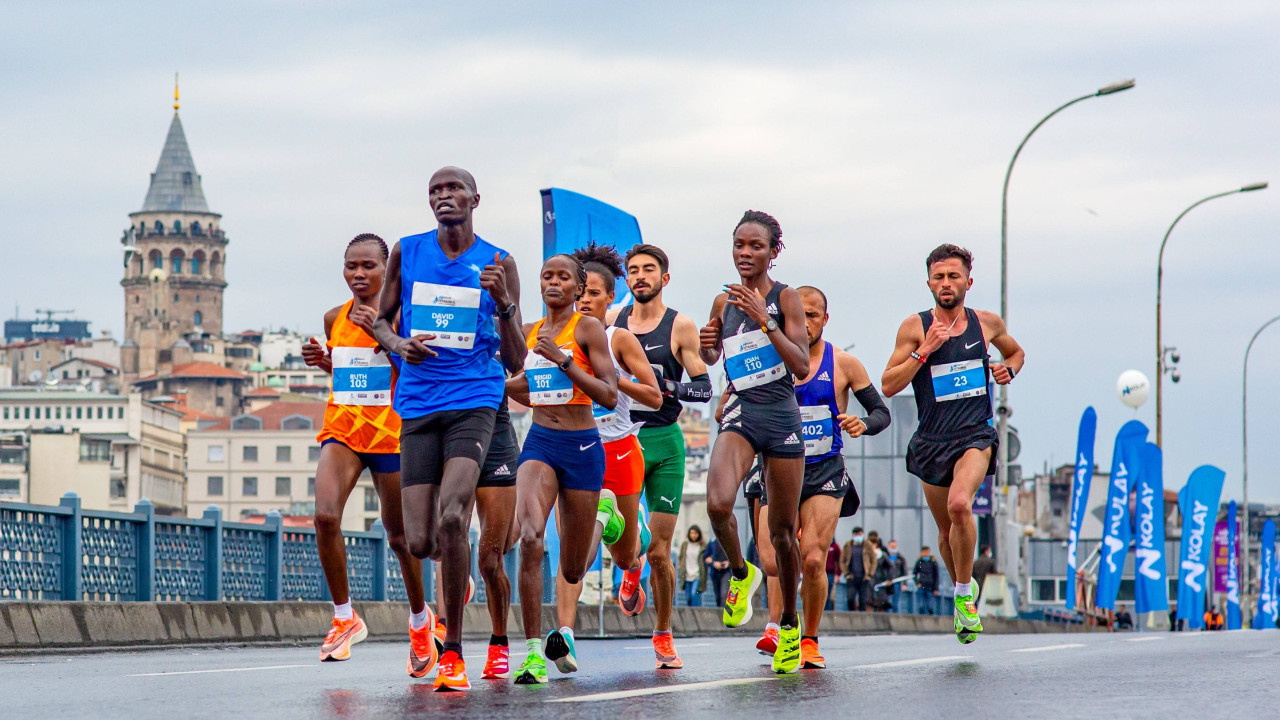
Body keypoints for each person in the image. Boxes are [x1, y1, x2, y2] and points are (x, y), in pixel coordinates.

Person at [372, 167, 525, 690]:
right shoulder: (407, 252)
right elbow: (378, 318)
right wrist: (397, 345)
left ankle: (454, 652)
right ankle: (454, 566)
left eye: (452, 189)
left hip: (474, 400)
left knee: (456, 516)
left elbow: (515, 358)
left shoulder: (499, 261)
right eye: (434, 190)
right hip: (417, 404)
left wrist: (504, 303)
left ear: (475, 198)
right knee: (421, 541)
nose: (443, 196)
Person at [736, 285, 892, 666]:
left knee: (812, 559)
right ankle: (780, 624)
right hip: (776, 468)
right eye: (799, 315)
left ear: (825, 319)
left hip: (824, 471)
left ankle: (808, 639)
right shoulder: (769, 357)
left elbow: (881, 413)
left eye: (813, 315)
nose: (805, 324)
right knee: (773, 560)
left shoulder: (843, 363)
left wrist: (862, 423)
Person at [882, 243, 1025, 644]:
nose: (946, 283)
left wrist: (1006, 370)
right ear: (929, 281)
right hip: (932, 440)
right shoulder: (914, 326)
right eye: (939, 277)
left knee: (961, 504)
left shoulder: (987, 323)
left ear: (968, 282)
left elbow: (1016, 353)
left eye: (954, 276)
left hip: (975, 435)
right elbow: (888, 385)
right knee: (946, 534)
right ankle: (963, 588)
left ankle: (964, 596)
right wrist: (924, 350)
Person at [300, 234, 427, 665]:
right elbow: (352, 366)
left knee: (399, 537)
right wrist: (324, 361)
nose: (358, 274)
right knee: (324, 516)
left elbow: (416, 366)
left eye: (368, 266)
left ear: (387, 270)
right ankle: (343, 616)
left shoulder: (402, 315)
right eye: (351, 265)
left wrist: (383, 333)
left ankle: (419, 621)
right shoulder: (334, 316)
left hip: (390, 434)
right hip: (344, 428)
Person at [700, 210, 811, 674]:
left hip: (780, 412)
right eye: (738, 245)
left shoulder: (787, 298)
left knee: (783, 534)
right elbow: (711, 355)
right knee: (718, 504)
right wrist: (708, 345)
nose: (745, 254)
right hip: (742, 411)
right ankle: (741, 575)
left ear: (773, 252)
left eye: (756, 246)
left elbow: (802, 364)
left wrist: (764, 322)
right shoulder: (723, 302)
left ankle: (788, 625)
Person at [505, 254, 618, 685]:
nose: (553, 282)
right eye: (546, 276)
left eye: (563, 277)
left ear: (577, 287)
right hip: (540, 443)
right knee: (531, 536)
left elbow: (608, 394)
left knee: (572, 569)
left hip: (583, 445)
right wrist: (487, 384)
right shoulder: (530, 332)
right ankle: (534, 652)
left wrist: (564, 361)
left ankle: (603, 515)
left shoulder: (588, 329)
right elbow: (524, 386)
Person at [550, 244, 664, 654]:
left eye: (593, 294)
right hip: (575, 448)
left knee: (625, 555)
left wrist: (611, 380)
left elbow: (655, 397)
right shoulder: (557, 339)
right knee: (571, 550)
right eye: (580, 293)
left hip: (618, 450)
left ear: (610, 297)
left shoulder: (620, 339)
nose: (583, 301)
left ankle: (634, 553)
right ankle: (564, 634)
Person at [612, 243, 713, 669]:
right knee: (628, 541)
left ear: (664, 278)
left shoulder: (680, 326)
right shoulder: (612, 322)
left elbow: (704, 389)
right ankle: (629, 567)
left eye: (648, 270)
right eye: (633, 270)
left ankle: (664, 632)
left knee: (660, 551)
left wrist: (665, 389)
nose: (639, 276)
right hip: (622, 439)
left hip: (667, 441)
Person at [841, 527, 869, 612]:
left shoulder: (867, 545)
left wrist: (869, 574)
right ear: (853, 535)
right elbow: (842, 561)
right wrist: (846, 573)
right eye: (856, 535)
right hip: (852, 577)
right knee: (850, 598)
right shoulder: (848, 546)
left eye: (860, 534)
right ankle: (852, 615)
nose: (858, 536)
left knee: (863, 600)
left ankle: (862, 617)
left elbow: (873, 560)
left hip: (863, 577)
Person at [679, 525, 708, 607]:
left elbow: (706, 558)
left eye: (695, 533)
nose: (693, 535)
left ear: (699, 534)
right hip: (687, 575)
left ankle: (696, 613)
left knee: (694, 594)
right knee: (688, 598)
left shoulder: (702, 546)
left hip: (697, 575)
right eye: (691, 533)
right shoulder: (685, 545)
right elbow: (681, 557)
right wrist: (680, 566)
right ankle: (691, 613)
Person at [913, 546, 941, 615]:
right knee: (921, 605)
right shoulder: (919, 562)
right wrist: (917, 583)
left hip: (930, 586)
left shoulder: (933, 562)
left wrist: (936, 588)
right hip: (921, 585)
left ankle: (930, 619)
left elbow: (936, 576)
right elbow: (914, 574)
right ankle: (921, 620)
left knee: (930, 606)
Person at [704, 537, 731, 607]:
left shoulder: (730, 540)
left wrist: (728, 563)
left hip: (726, 571)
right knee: (718, 596)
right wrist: (713, 563)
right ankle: (720, 612)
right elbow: (706, 557)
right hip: (715, 572)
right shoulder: (712, 542)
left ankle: (723, 613)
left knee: (724, 594)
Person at [885, 540, 908, 613]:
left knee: (896, 603)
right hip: (887, 583)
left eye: (894, 546)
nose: (893, 548)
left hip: (897, 583)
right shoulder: (885, 557)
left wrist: (904, 584)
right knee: (887, 602)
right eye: (891, 546)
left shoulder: (901, 558)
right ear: (888, 547)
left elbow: (904, 571)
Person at [825, 540, 842, 612]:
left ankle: (827, 611)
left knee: (827, 595)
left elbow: (840, 561)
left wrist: (838, 574)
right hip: (820, 573)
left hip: (830, 574)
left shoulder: (835, 546)